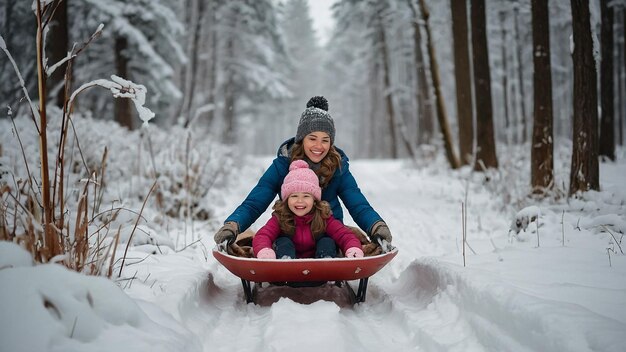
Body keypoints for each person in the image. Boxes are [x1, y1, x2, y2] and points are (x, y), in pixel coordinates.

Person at [214, 96, 392, 249]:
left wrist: (376, 226)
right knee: (256, 238)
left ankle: (331, 259)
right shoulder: (282, 166)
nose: (318, 146)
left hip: (328, 234)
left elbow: (358, 204)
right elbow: (255, 202)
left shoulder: (337, 168)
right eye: (312, 138)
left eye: (325, 140)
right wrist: (233, 225)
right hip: (289, 235)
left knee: (351, 238)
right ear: (301, 139)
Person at [252, 160, 364, 259]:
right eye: (294, 196)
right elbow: (264, 235)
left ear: (315, 200)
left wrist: (353, 247)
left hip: (317, 263)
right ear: (286, 200)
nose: (300, 201)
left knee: (327, 241)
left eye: (306, 196)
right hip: (288, 266)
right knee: (283, 242)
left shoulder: (323, 217)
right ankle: (285, 260)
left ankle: (326, 260)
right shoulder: (280, 217)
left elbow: (343, 235)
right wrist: (264, 250)